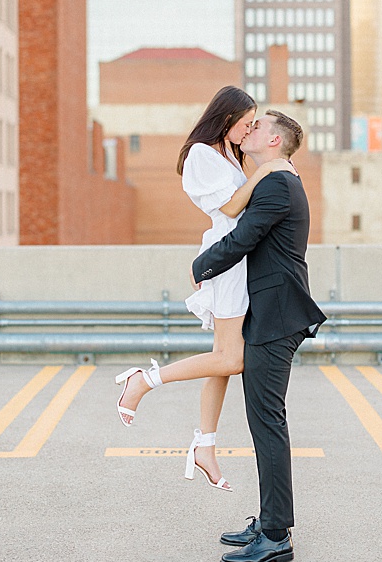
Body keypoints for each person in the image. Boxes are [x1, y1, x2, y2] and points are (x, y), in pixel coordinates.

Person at [114, 85, 294, 491]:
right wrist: (269, 169)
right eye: (245, 124)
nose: (249, 132)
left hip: (239, 258)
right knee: (232, 359)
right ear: (226, 118)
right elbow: (231, 208)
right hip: (228, 260)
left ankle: (205, 443)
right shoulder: (200, 155)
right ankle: (144, 380)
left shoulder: (227, 154)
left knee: (222, 357)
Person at [191, 109, 326, 562]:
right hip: (271, 315)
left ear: (274, 141)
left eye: (258, 126)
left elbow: (242, 239)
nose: (250, 130)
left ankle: (275, 534)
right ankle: (270, 519)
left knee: (268, 424)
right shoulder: (279, 179)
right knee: (265, 424)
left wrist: (199, 268)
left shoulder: (276, 184)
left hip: (275, 317)